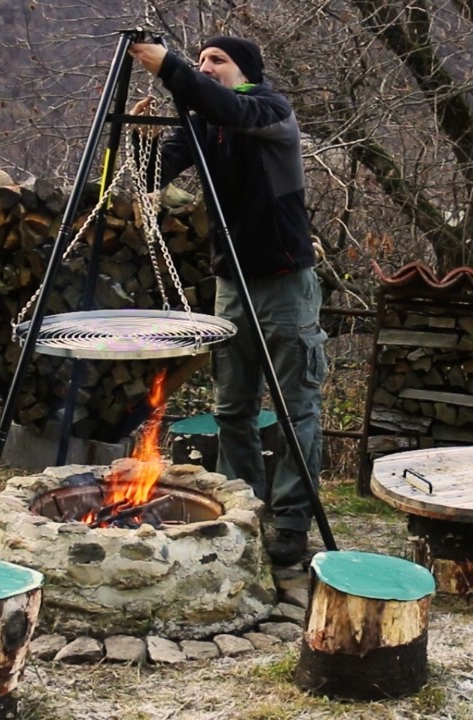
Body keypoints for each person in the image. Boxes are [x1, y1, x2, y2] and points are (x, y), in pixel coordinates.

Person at [127, 36, 326, 566]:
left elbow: (231, 108)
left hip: (284, 280)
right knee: (233, 408)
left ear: (246, 71)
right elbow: (150, 176)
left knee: (294, 410)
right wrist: (142, 141)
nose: (205, 67)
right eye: (200, 61)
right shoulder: (204, 124)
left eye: (217, 60)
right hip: (231, 283)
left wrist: (170, 68)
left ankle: (290, 523)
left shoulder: (268, 109)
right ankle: (245, 507)